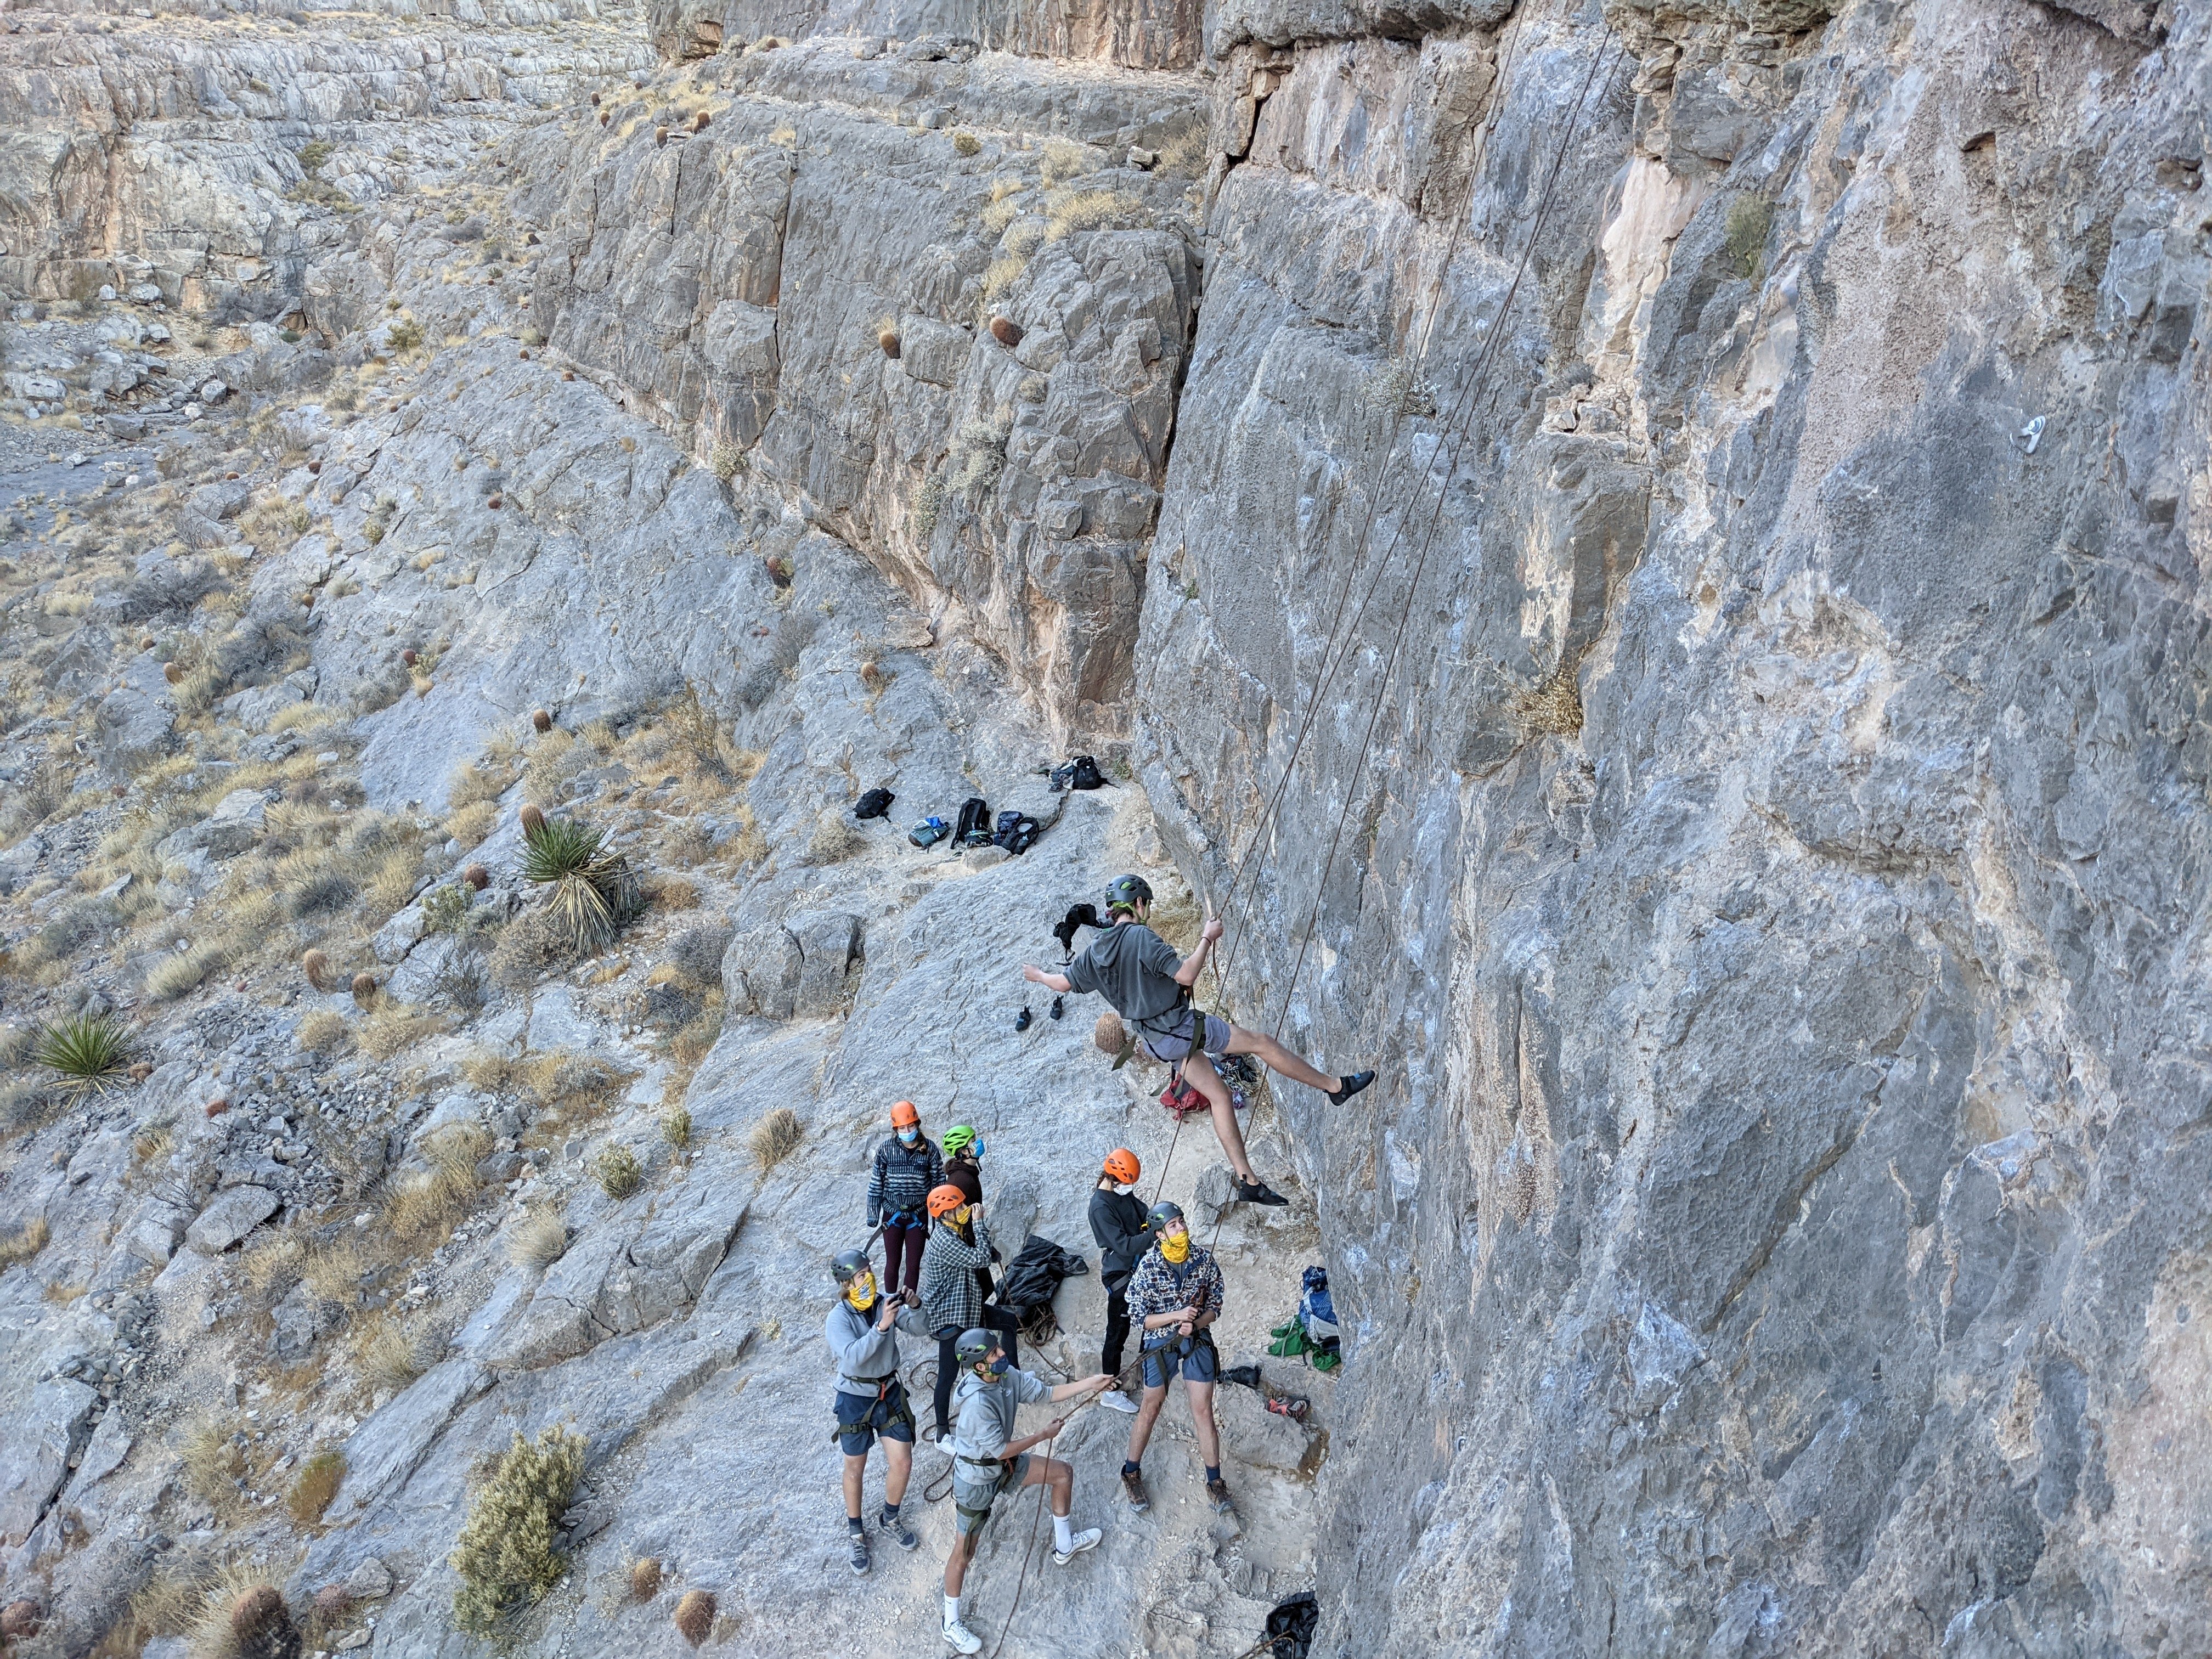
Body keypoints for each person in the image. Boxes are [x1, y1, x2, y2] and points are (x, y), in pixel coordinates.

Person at [1023, 874, 1374, 1207]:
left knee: (1220, 1096)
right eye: (1147, 905)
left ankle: (1248, 1182)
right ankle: (1335, 1087)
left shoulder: (1095, 951)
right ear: (1139, 903)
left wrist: (1039, 976)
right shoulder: (1141, 939)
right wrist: (1208, 937)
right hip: (1181, 1029)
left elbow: (1063, 984)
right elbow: (1187, 974)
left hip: (1157, 1041)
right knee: (1262, 1043)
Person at [940, 1327, 1111, 1654]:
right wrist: (1041, 1436)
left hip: (1001, 1465)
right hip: (977, 1479)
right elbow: (999, 1450)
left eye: (998, 1349)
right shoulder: (977, 1404)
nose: (1003, 1354)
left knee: (1062, 1474)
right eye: (994, 1354)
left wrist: (1092, 1383)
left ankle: (1064, 1545)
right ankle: (951, 1623)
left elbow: (1046, 1393)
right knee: (965, 1552)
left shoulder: (1004, 1376)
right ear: (979, 1366)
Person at [1119, 1201, 1233, 1515]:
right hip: (1160, 1344)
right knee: (1150, 1407)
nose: (1181, 1229)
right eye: (1173, 1225)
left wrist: (1195, 1323)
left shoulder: (1202, 1260)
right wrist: (1177, 1316)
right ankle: (1131, 1471)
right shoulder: (1149, 1267)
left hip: (1195, 1339)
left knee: (1203, 1411)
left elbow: (1215, 1305)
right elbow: (1139, 1318)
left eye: (1181, 1222)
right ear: (1159, 1234)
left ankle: (1215, 1483)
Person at [824, 1248, 930, 1574]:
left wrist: (915, 1306)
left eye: (869, 1271)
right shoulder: (838, 1318)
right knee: (855, 1467)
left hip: (889, 1391)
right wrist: (881, 1327)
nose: (869, 1277)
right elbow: (853, 1356)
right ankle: (856, 1532)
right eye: (860, 1275)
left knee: (903, 1460)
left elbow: (920, 1328)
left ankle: (890, 1517)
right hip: (855, 1398)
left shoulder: (883, 1300)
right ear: (846, 1283)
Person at [919, 1183, 1022, 1442]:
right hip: (951, 1318)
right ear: (946, 1213)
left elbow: (978, 1252)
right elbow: (979, 1258)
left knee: (1009, 1323)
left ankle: (1014, 1377)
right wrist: (979, 1223)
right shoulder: (943, 1240)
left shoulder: (952, 1231)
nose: (966, 1209)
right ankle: (942, 1432)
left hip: (968, 1309)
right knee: (947, 1375)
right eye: (960, 1207)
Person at [1087, 1148, 1152, 1415]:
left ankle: (1147, 1366)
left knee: (1153, 1313)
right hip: (1121, 1274)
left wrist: (1152, 1221)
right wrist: (1155, 1236)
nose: (1130, 1188)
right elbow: (1124, 1245)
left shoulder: (1120, 1192)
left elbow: (1138, 1212)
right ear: (1113, 1178)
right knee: (1117, 1331)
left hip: (1137, 1265)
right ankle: (1108, 1390)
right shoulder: (1101, 1207)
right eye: (1127, 1183)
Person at [866, 1101, 943, 1299]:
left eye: (911, 1126)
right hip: (893, 1213)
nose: (907, 1130)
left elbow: (939, 1186)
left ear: (917, 1124)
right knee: (893, 1261)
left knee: (913, 1264)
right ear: (896, 1129)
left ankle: (909, 1306)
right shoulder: (886, 1150)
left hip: (918, 1214)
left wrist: (939, 1221)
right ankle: (890, 1302)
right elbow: (877, 1183)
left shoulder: (930, 1150)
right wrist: (873, 1214)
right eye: (902, 1127)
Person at [940, 1125, 998, 1300]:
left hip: (970, 1242)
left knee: (984, 1290)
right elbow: (964, 1221)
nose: (978, 1142)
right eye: (973, 1141)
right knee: (979, 1293)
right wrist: (985, 1248)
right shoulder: (962, 1181)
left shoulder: (966, 1173)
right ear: (964, 1152)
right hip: (967, 1246)